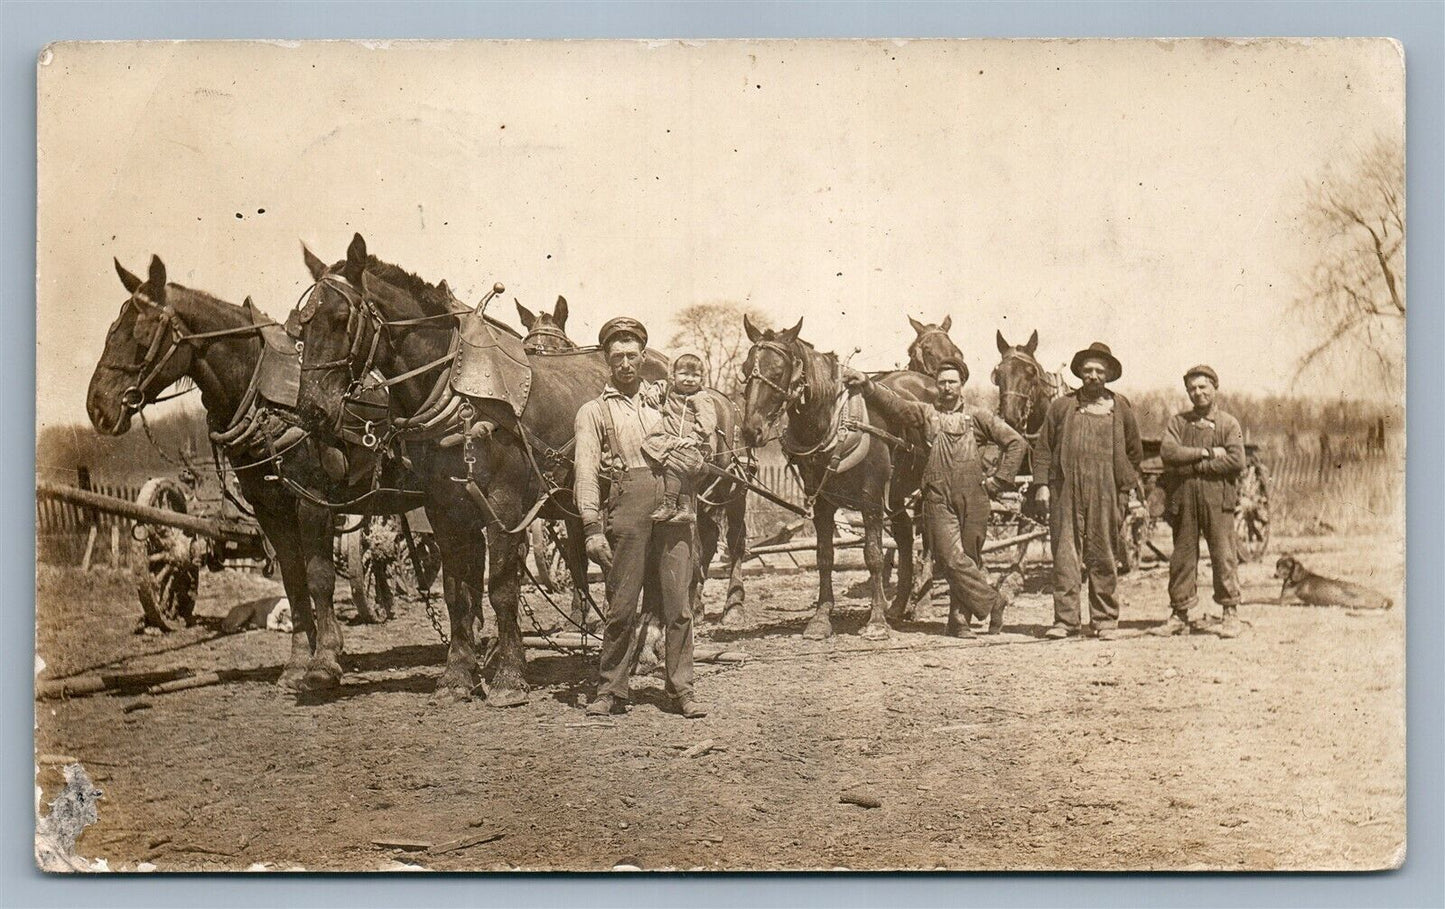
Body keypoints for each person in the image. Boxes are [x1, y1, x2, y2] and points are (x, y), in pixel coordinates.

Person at [573, 317, 707, 719]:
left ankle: (682, 688)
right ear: (607, 361)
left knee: (677, 603)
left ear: (644, 358)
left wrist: (696, 461)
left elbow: (700, 444)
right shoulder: (592, 412)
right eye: (618, 357)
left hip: (675, 503)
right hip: (626, 505)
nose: (626, 364)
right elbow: (584, 471)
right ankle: (611, 688)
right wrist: (592, 528)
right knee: (621, 604)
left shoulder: (667, 402)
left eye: (633, 356)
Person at [841, 358, 1026, 637]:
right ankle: (993, 601)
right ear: (936, 387)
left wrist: (999, 481)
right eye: (942, 383)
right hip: (938, 496)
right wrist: (868, 385)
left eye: (952, 382)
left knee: (969, 558)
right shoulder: (925, 413)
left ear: (961, 385)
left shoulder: (979, 416)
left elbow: (1016, 442)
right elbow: (895, 405)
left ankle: (958, 620)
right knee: (949, 559)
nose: (947, 387)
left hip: (975, 497)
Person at [1032, 342, 1142, 641]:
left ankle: (1105, 620)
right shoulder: (1062, 406)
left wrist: (1125, 488)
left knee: (1103, 554)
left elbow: (1134, 452)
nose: (1093, 375)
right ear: (1080, 372)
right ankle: (1066, 621)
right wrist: (1042, 485)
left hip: (1106, 491)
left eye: (1099, 371)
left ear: (1108, 375)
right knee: (1065, 555)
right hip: (1066, 489)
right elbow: (1042, 449)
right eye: (1088, 370)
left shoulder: (1120, 408)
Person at [1150, 364, 1246, 638]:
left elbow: (1236, 460)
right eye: (1192, 388)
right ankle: (1179, 614)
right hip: (1184, 500)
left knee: (1223, 555)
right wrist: (1206, 452)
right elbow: (1169, 452)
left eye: (1203, 386)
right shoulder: (1178, 423)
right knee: (1182, 557)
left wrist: (1198, 467)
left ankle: (1230, 613)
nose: (1198, 392)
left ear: (1215, 388)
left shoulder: (1229, 423)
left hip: (1218, 500)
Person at [643, 354, 716, 524]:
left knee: (674, 467)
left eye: (695, 375)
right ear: (673, 375)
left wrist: (694, 437)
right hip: (671, 439)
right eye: (684, 374)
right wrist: (653, 390)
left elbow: (708, 421)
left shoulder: (700, 398)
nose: (690, 379)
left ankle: (670, 504)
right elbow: (660, 384)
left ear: (701, 378)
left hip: (688, 442)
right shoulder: (670, 390)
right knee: (666, 461)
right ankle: (685, 508)